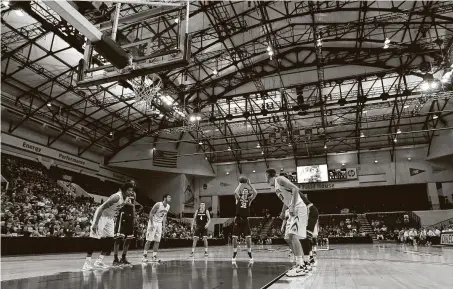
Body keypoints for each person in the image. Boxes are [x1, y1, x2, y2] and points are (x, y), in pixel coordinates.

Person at [265, 168, 309, 277]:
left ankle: (301, 266)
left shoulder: (279, 179)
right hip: (291, 209)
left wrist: (293, 206)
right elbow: (286, 200)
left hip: (298, 207)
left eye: (265, 176)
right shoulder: (276, 186)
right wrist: (282, 211)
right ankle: (300, 263)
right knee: (287, 238)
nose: (265, 179)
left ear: (268, 175)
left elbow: (295, 189)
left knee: (293, 236)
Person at [82, 181, 135, 270]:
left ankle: (99, 261)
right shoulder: (116, 197)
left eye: (132, 190)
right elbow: (102, 208)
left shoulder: (126, 198)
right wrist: (95, 223)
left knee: (110, 238)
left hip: (110, 218)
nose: (131, 192)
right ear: (124, 190)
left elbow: (123, 205)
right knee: (94, 238)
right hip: (102, 215)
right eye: (129, 190)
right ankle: (87, 263)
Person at [112, 180, 139, 267]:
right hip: (123, 214)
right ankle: (115, 258)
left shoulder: (133, 194)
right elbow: (123, 202)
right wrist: (131, 205)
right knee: (118, 238)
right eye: (131, 183)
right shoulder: (122, 192)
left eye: (134, 184)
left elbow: (134, 205)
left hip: (130, 215)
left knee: (129, 238)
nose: (133, 184)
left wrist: (134, 217)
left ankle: (123, 257)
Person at [231, 178, 257, 264]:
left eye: (247, 191)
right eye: (244, 191)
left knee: (248, 238)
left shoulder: (249, 200)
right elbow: (235, 192)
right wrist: (240, 184)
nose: (245, 192)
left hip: (245, 220)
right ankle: (235, 252)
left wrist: (249, 184)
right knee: (234, 238)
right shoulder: (238, 199)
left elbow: (255, 193)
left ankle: (249, 252)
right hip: (238, 220)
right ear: (242, 192)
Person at [142, 194, 171, 263]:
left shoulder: (168, 206)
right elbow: (151, 213)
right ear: (164, 198)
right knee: (149, 240)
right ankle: (144, 256)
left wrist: (164, 226)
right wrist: (151, 224)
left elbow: (164, 216)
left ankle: (154, 257)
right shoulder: (158, 204)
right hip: (153, 222)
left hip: (159, 224)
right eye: (169, 197)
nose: (170, 198)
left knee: (157, 241)